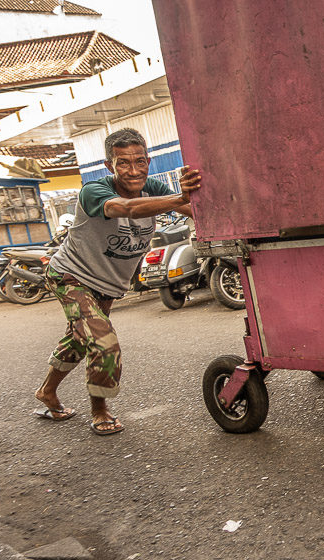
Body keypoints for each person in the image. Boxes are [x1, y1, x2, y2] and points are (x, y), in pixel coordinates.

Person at [33, 127, 202, 435]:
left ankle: (46, 391)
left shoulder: (151, 187)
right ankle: (100, 410)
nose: (133, 170)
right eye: (123, 163)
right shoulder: (94, 191)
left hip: (106, 285)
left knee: (79, 339)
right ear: (110, 166)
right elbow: (124, 208)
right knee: (103, 343)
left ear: (149, 161)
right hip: (70, 275)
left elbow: (191, 210)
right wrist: (178, 196)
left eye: (140, 161)